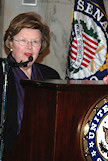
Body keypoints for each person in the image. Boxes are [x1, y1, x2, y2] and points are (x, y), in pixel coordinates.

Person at [0, 12, 60, 156]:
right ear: (11, 43)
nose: (29, 47)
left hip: (44, 153)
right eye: (23, 41)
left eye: (35, 42)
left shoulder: (51, 75)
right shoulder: (2, 73)